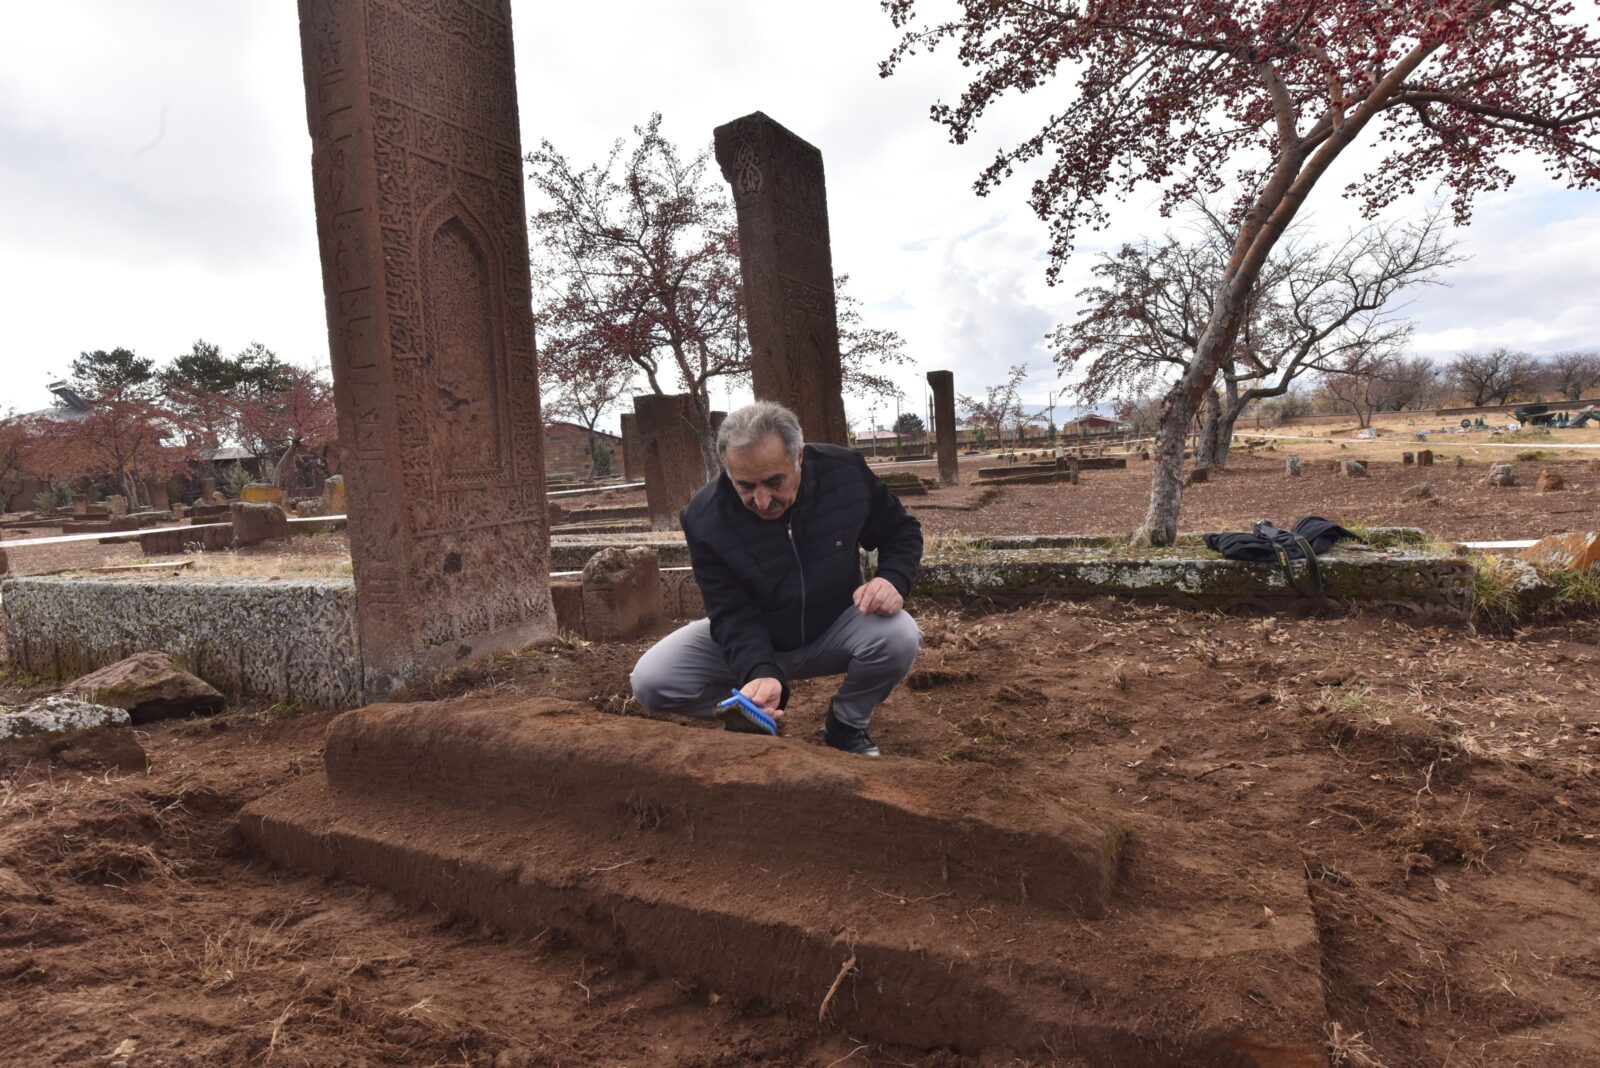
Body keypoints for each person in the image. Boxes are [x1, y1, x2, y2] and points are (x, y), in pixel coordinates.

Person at [630, 401, 923, 757]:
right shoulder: (705, 518)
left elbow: (900, 531)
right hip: (758, 634)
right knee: (652, 681)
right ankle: (751, 711)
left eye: (774, 481)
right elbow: (731, 611)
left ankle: (847, 721)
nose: (762, 500)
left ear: (799, 456)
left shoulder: (844, 473)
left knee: (900, 635)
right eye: (746, 486)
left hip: (835, 626)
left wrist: (892, 578)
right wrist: (759, 670)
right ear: (727, 470)